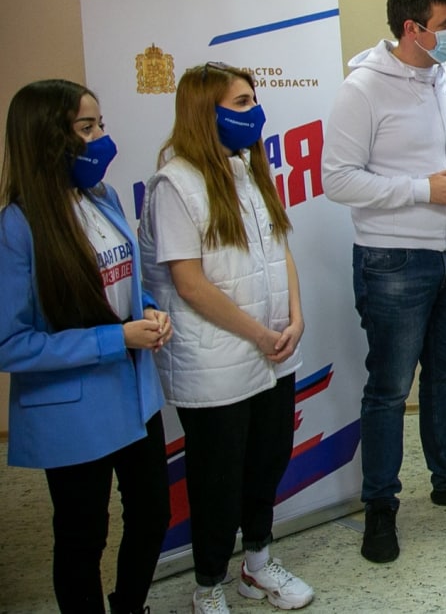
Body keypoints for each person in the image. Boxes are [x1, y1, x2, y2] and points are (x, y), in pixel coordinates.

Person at [322, 0, 446, 565]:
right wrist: (421, 190)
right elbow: (337, 179)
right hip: (394, 260)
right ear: (412, 28)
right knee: (389, 389)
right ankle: (380, 505)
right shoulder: (363, 89)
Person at [140, 63, 313, 612]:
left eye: (253, 100)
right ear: (203, 111)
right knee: (217, 480)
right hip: (217, 363)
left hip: (272, 353)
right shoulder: (175, 184)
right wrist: (260, 334)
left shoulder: (249, 169)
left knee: (267, 462)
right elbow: (189, 283)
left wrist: (296, 317)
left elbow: (280, 250)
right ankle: (208, 584)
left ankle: (257, 566)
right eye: (241, 103)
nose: (254, 112)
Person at [0, 79, 171, 614]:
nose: (102, 138)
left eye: (101, 124)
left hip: (134, 394)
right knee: (83, 535)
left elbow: (122, 283)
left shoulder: (104, 197)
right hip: (73, 410)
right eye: (87, 127)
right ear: (49, 137)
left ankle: (129, 605)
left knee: (153, 513)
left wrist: (146, 308)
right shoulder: (17, 227)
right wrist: (115, 339)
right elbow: (11, 344)